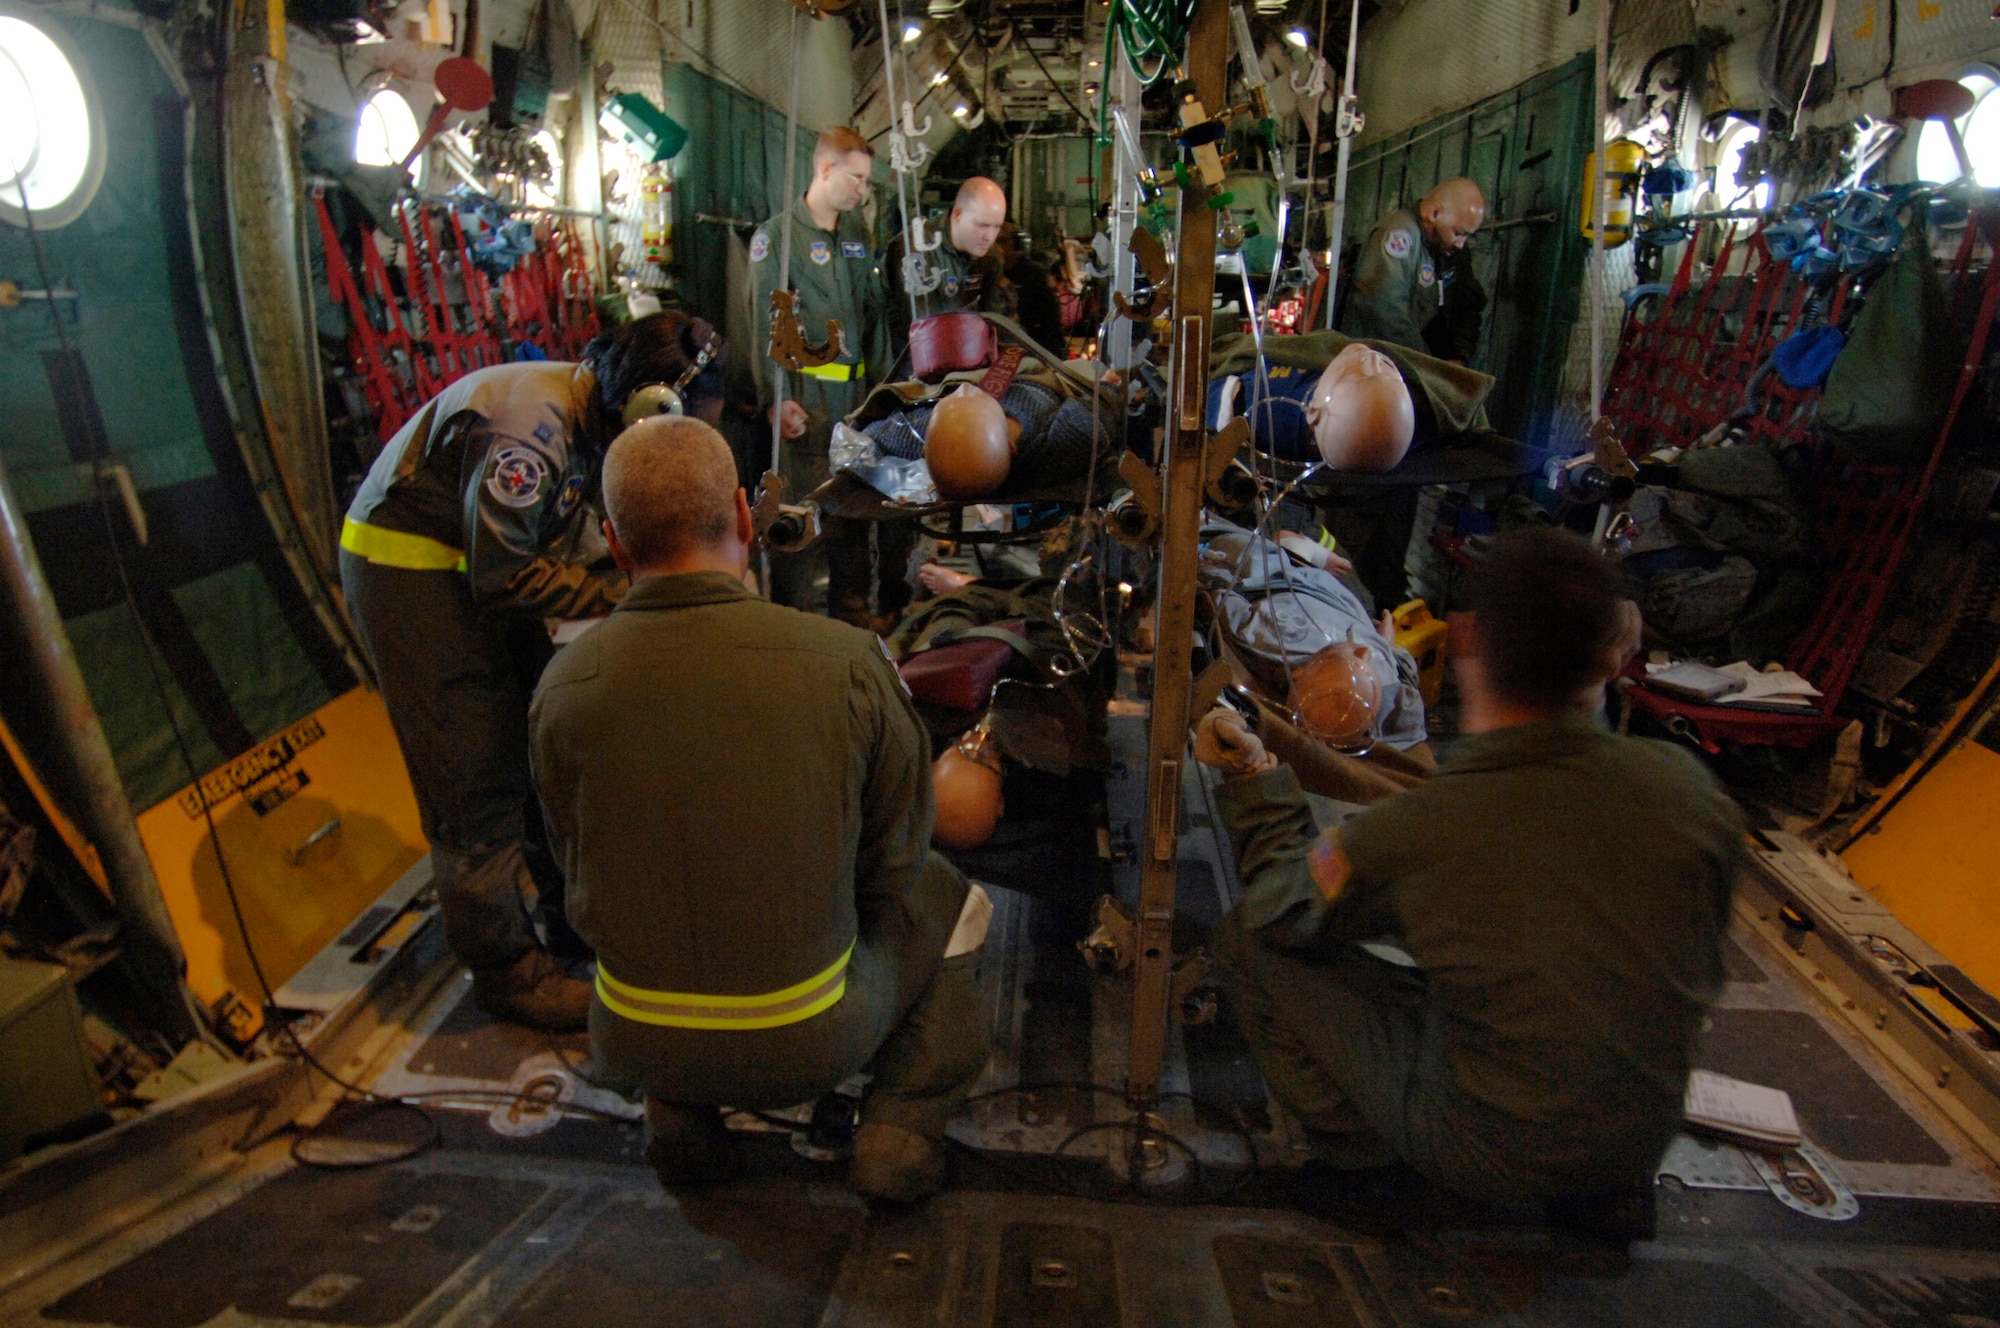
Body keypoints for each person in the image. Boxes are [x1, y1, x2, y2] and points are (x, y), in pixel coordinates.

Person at [1192, 527, 1741, 1228]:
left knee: (1249, 943)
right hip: (1639, 1140)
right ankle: (1605, 1192)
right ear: (1617, 649)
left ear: (1468, 639)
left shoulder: (1433, 823)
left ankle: (1369, 1172)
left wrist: (1255, 781)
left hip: (1486, 1147)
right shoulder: (1692, 792)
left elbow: (1281, 908)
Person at [528, 415, 991, 1202]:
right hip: (807, 1042)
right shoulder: (844, 663)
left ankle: (677, 1120)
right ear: (746, 516)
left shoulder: (561, 689)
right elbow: (895, 864)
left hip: (630, 1034)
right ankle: (898, 1133)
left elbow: (578, 874)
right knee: (953, 896)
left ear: (613, 539)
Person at [340, 312, 726, 1031]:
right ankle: (508, 974)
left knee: (536, 743)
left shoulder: (585, 418)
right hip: (410, 575)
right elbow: (507, 576)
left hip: (473, 564)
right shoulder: (528, 437)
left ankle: (570, 923)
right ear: (643, 410)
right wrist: (630, 592)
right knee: (474, 771)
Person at [750, 126, 897, 625]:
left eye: (866, 181)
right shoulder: (778, 238)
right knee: (799, 522)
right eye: (855, 177)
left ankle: (853, 626)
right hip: (808, 404)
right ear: (825, 168)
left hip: (854, 404)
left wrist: (885, 395)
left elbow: (872, 319)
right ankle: (790, 630)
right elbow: (764, 323)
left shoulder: (856, 237)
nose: (861, 189)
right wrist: (776, 398)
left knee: (853, 519)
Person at [1340, 178, 1487, 353]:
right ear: (1435, 213)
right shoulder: (1400, 235)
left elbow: (1465, 301)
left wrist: (1458, 353)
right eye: (1458, 233)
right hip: (1376, 362)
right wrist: (1424, 364)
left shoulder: (1446, 249)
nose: (1460, 244)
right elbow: (1385, 308)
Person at [887, 176, 1008, 346]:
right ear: (958, 214)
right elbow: (917, 321)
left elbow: (996, 313)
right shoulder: (915, 248)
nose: (989, 237)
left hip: (965, 352)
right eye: (982, 225)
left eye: (997, 227)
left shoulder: (990, 255)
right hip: (915, 354)